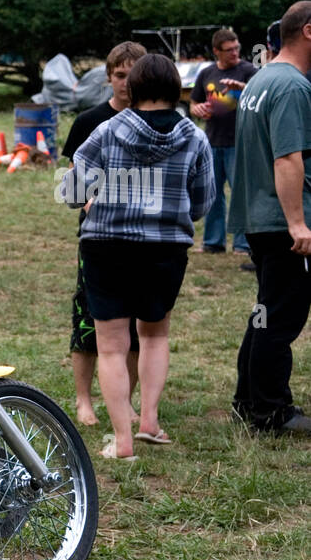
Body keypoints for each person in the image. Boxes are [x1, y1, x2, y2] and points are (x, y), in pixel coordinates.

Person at [60, 53, 214, 459]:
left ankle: (123, 440)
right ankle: (149, 420)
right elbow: (202, 203)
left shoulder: (106, 132)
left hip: (106, 246)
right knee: (154, 335)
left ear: (134, 87)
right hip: (166, 247)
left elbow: (73, 193)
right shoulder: (195, 137)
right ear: (173, 88)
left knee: (111, 346)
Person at [230, 0, 311, 436]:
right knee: (281, 318)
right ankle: (271, 412)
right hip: (284, 225)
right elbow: (287, 158)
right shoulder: (294, 87)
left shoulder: (261, 79)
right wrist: (298, 222)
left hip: (259, 219)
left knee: (265, 311)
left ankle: (248, 400)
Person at [61, 41, 147, 426]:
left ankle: (125, 398)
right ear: (109, 77)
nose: (126, 83)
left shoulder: (155, 122)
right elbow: (73, 181)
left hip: (142, 238)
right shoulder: (88, 121)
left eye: (134, 76)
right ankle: (84, 400)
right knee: (88, 319)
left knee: (135, 321)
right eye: (119, 75)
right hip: (96, 239)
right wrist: (88, 202)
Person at [189, 28, 258, 257]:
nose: (235, 53)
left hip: (240, 142)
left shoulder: (248, 70)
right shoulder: (207, 73)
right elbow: (193, 102)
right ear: (216, 51)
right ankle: (213, 242)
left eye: (237, 48)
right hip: (212, 142)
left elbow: (260, 98)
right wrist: (196, 109)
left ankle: (243, 244)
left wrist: (243, 89)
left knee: (241, 194)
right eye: (229, 50)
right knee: (213, 194)